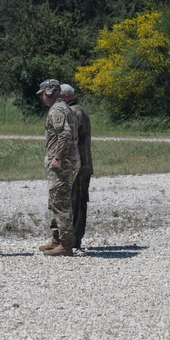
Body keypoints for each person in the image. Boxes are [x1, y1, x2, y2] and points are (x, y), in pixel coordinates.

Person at [36, 79, 80, 256]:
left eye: (42, 94)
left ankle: (66, 244)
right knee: (55, 200)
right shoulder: (66, 108)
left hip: (63, 163)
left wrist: (57, 158)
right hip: (70, 161)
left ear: (49, 92)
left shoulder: (57, 109)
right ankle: (56, 239)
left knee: (60, 203)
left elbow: (64, 135)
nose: (41, 98)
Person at [61, 84, 93, 251]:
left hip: (80, 165)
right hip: (80, 163)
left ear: (66, 97)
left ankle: (75, 238)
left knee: (77, 202)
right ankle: (73, 237)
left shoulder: (76, 112)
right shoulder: (77, 110)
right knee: (75, 201)